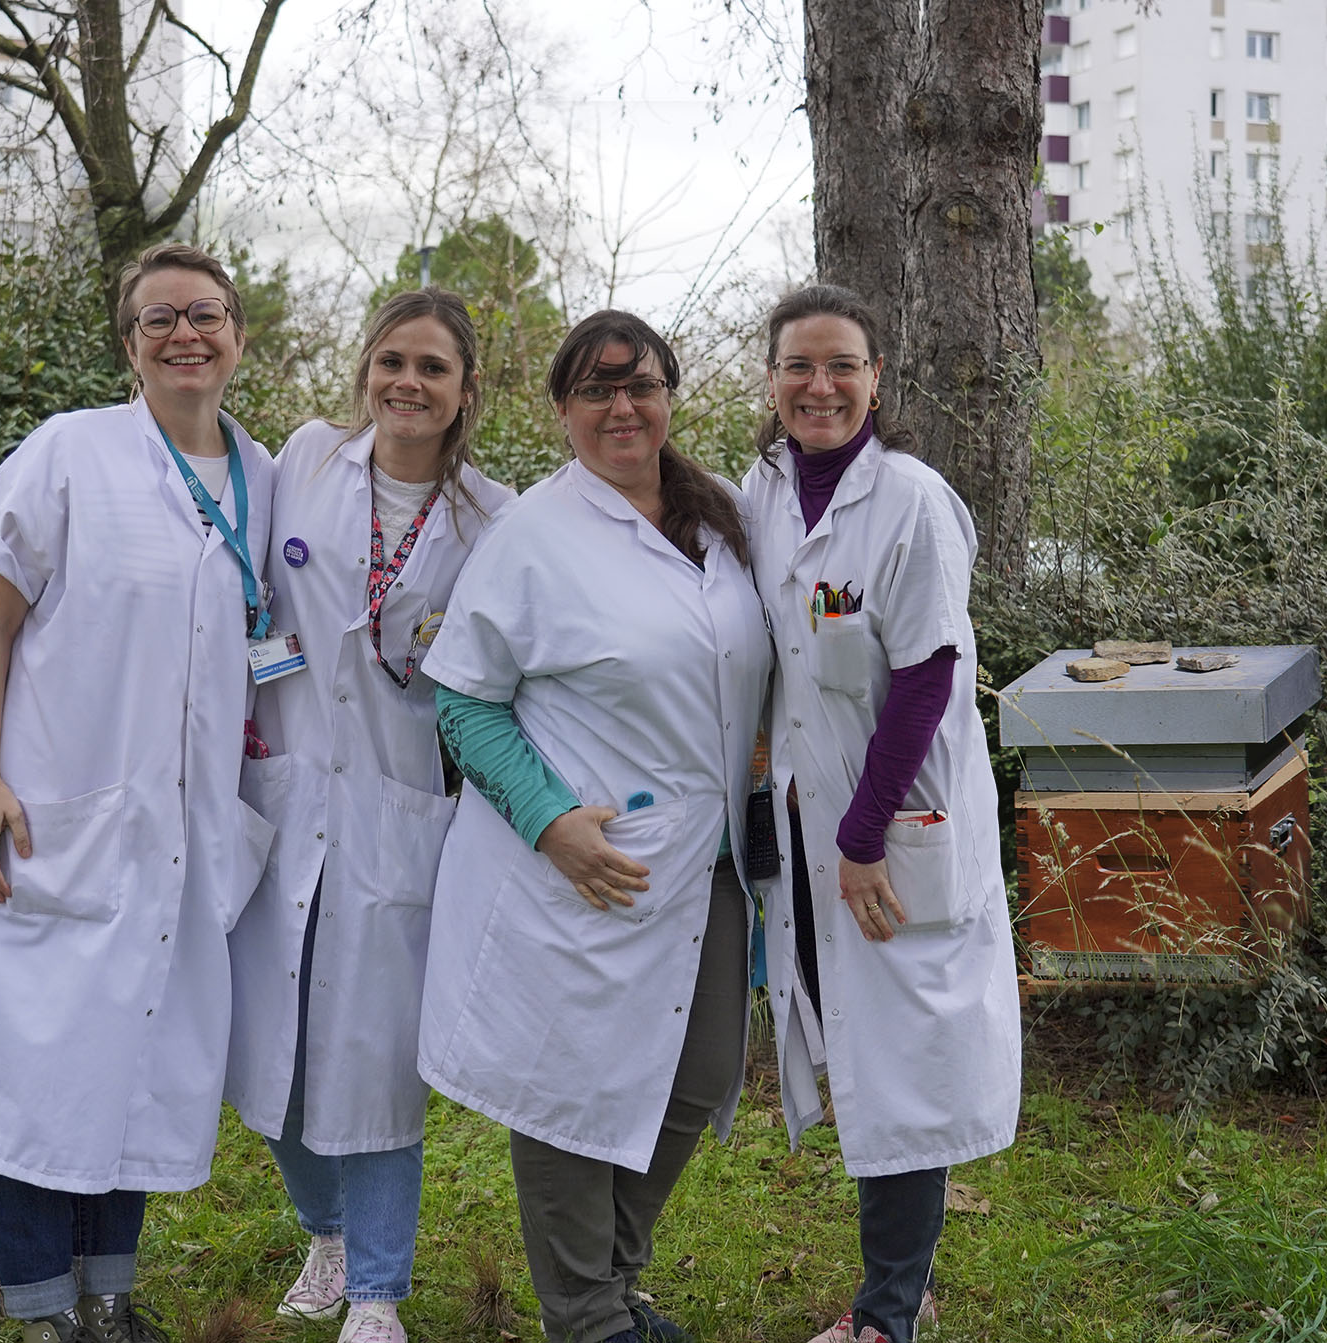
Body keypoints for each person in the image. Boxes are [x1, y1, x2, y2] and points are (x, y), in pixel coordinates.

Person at [0, 243, 276, 1343]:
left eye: (205, 314)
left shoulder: (263, 480)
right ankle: (40, 1311)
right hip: (51, 817)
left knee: (138, 1051)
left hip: (181, 834)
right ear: (128, 345)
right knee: (33, 1065)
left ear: (237, 336)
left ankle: (107, 1297)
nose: (185, 333)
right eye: (159, 317)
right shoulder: (66, 453)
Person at [417, 311, 773, 1343]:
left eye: (642, 384)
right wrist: (550, 821)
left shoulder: (718, 519)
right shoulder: (533, 535)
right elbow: (463, 703)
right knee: (565, 1087)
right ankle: (587, 1314)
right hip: (578, 867)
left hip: (700, 863)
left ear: (670, 394)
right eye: (597, 389)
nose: (623, 406)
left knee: (698, 1072)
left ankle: (610, 1279)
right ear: (563, 408)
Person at [224, 289, 515, 1343]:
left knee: (375, 1053)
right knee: (273, 1038)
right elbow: (232, 583)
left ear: (464, 390)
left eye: (432, 367)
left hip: (399, 809)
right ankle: (327, 1229)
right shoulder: (301, 459)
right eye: (391, 359)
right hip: (284, 786)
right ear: (363, 371)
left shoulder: (492, 517)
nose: (407, 381)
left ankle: (378, 1291)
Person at [739, 285, 1022, 1343]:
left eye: (840, 365)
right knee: (861, 1039)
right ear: (769, 381)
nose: (818, 385)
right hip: (812, 820)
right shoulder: (762, 489)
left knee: (900, 1056)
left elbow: (924, 680)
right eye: (798, 366)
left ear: (874, 379)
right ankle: (893, 1290)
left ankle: (885, 1314)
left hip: (891, 824)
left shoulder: (908, 497)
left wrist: (860, 838)